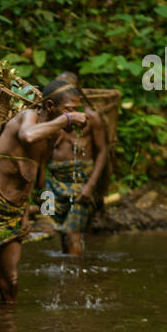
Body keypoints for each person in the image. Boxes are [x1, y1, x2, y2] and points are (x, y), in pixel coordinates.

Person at [0, 79, 85, 306]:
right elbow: (28, 136)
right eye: (70, 109)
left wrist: (25, 214)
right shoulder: (28, 118)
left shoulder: (52, 135)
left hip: (12, 213)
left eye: (76, 110)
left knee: (11, 282)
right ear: (49, 106)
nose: (75, 114)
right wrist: (67, 119)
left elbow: (35, 180)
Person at [43, 72, 107, 255]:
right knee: (56, 231)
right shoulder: (51, 119)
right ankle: (68, 274)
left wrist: (90, 186)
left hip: (81, 180)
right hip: (53, 181)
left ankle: (76, 279)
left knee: (73, 233)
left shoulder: (91, 117)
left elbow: (102, 151)